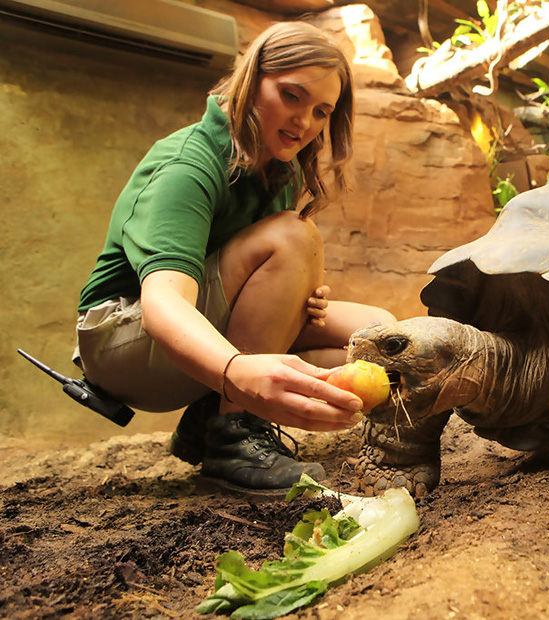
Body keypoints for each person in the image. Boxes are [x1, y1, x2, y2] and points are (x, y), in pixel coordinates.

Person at [73, 21, 395, 499]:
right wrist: (235, 373)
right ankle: (234, 434)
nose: (305, 121)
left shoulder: (275, 166)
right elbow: (163, 302)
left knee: (377, 335)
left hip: (187, 343)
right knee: (292, 236)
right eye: (291, 95)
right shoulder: (189, 164)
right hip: (124, 341)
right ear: (252, 80)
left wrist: (292, 297)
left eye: (321, 111)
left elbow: (248, 270)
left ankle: (207, 420)